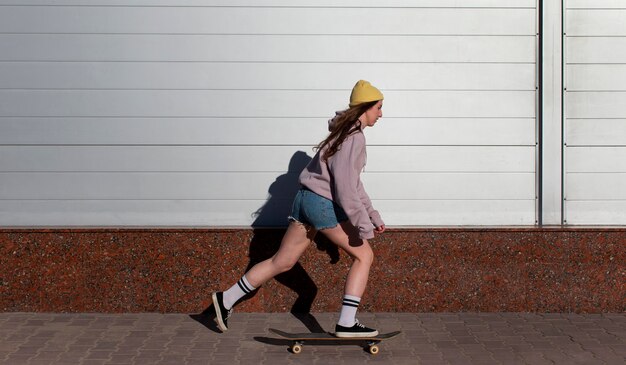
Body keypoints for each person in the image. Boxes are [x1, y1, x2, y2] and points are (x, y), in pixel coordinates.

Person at [212, 80, 386, 338]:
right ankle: (347, 322)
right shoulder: (355, 137)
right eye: (379, 108)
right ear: (366, 107)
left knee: (281, 261)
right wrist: (362, 225)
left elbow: (352, 182)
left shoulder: (340, 132)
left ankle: (225, 299)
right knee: (365, 256)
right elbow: (346, 188)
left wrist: (372, 214)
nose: (381, 114)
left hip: (304, 200)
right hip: (321, 205)